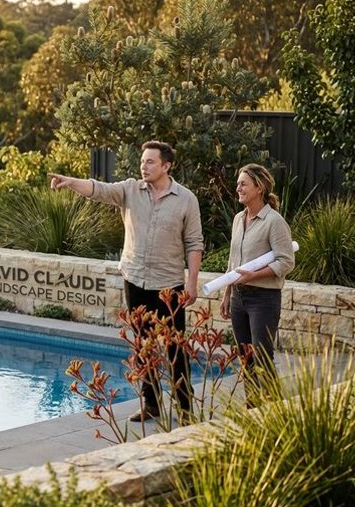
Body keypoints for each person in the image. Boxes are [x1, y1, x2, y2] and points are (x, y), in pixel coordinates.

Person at [50, 141, 203, 423]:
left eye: (150, 162)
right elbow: (99, 190)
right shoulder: (131, 190)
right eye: (143, 161)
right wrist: (70, 181)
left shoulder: (186, 199)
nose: (143, 166)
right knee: (142, 347)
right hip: (134, 280)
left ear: (166, 166)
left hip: (169, 285)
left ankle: (185, 409)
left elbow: (194, 243)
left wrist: (191, 283)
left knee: (175, 350)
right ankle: (152, 404)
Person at [220, 163, 294, 404]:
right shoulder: (238, 219)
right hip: (239, 298)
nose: (238, 188)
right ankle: (253, 405)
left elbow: (286, 261)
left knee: (262, 355)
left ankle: (276, 409)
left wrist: (254, 275)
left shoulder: (274, 221)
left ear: (259, 188)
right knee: (246, 356)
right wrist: (227, 294)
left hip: (263, 298)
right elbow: (233, 261)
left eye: (243, 184)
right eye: (238, 183)